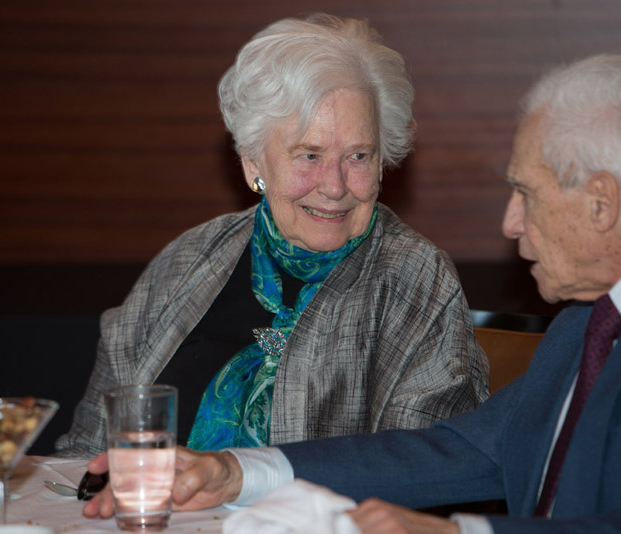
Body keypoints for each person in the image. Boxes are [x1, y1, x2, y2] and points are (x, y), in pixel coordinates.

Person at [82, 53, 621, 532]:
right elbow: (469, 448)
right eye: (309, 155)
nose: (509, 224)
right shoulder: (591, 318)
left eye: (525, 193)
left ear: (601, 204)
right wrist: (237, 470)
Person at [54, 13, 488, 457]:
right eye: (310, 155)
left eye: (358, 156)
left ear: (382, 163)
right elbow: (88, 449)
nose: (335, 186)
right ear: (253, 164)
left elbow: (423, 466)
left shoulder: (415, 278)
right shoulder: (189, 260)